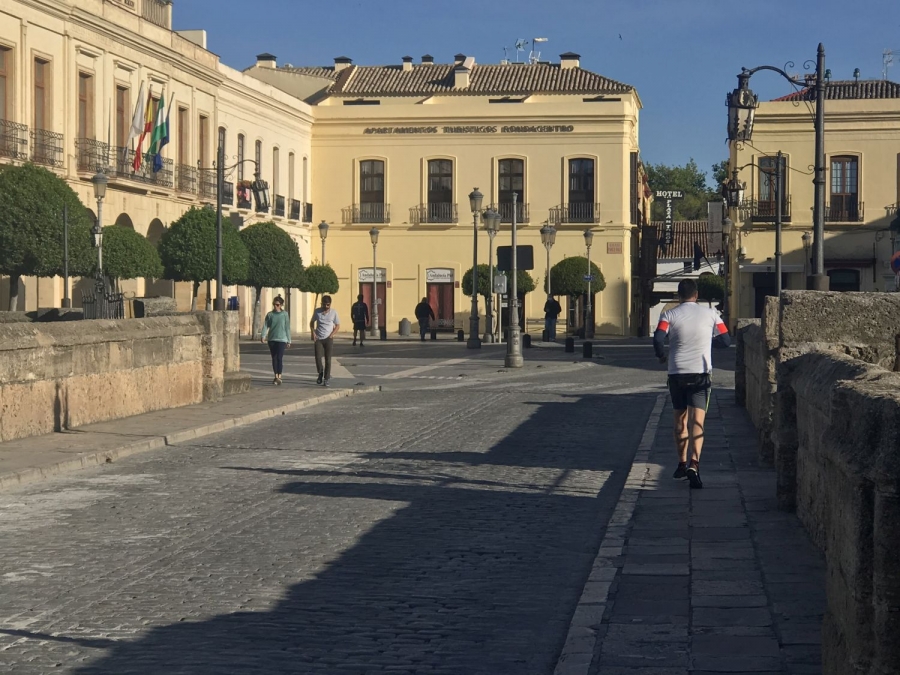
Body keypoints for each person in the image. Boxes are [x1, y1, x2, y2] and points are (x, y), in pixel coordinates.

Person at [653, 279, 731, 489]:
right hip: (701, 374)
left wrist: (661, 355)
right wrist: (707, 342)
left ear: (679, 296)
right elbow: (726, 340)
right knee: (697, 421)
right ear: (696, 295)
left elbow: (658, 338)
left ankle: (680, 463)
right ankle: (694, 464)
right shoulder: (711, 314)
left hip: (677, 373)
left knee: (680, 418)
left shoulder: (669, 315)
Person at [260, 295, 290, 386]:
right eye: (274, 304)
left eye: (277, 305)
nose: (275, 306)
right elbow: (266, 325)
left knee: (279, 358)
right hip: (272, 339)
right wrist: (263, 335)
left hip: (282, 339)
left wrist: (289, 340)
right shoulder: (270, 314)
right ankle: (276, 376)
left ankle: (279, 376)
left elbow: (287, 327)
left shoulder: (285, 314)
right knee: (274, 358)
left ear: (281, 305)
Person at [310, 295, 340, 386]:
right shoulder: (317, 311)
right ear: (321, 304)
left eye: (328, 305)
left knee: (328, 359)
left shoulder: (334, 313)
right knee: (318, 357)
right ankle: (320, 372)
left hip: (328, 338)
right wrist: (313, 333)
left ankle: (326, 378)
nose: (326, 307)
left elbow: (338, 325)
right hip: (318, 338)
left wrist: (332, 334)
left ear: (330, 304)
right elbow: (311, 322)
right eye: (324, 304)